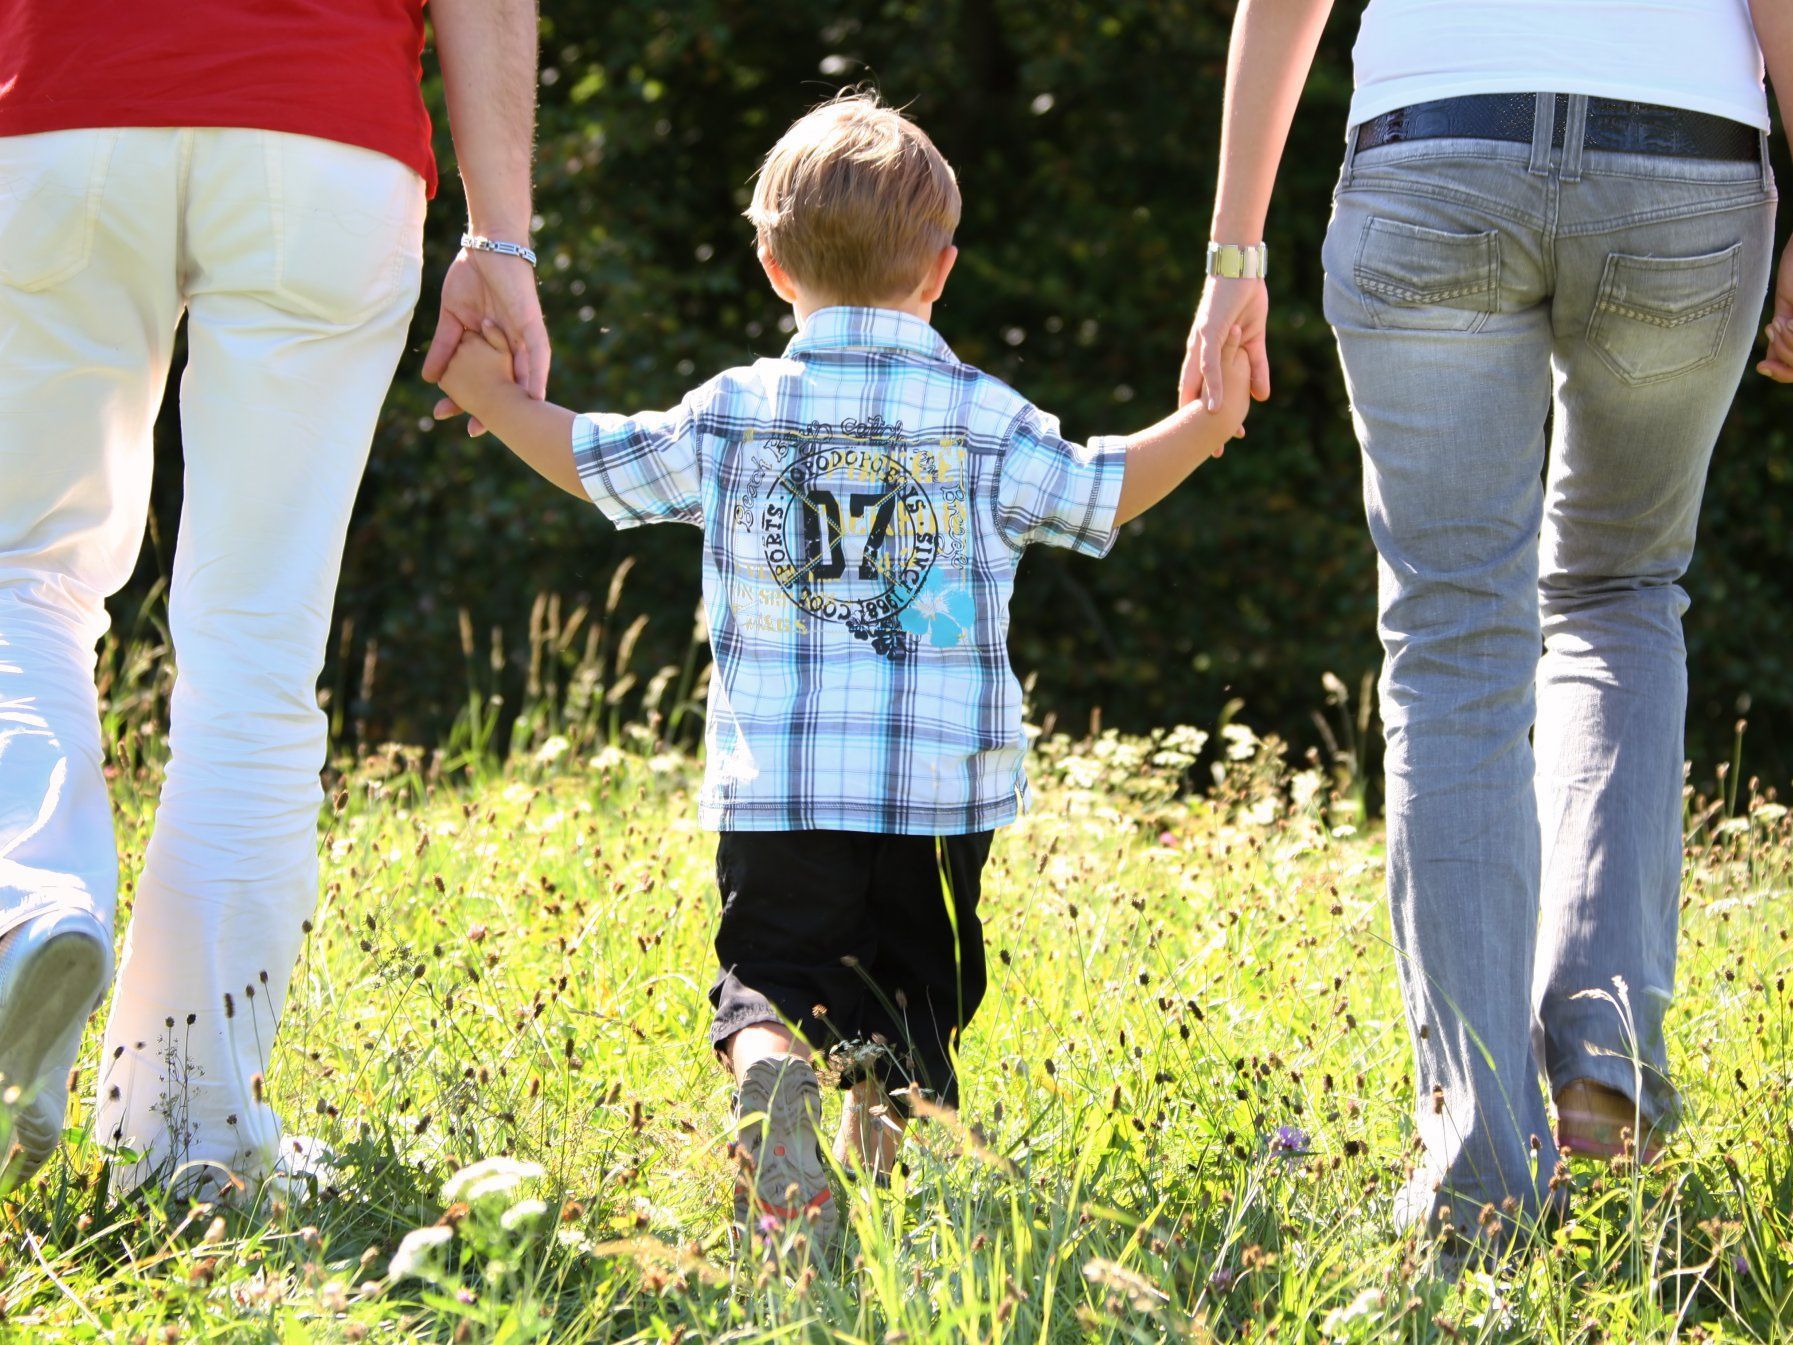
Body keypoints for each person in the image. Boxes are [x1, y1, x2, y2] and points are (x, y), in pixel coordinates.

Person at [432, 93, 1252, 1248]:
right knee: (914, 1009)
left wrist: (485, 392)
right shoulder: (984, 419)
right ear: (940, 270)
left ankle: (771, 1076)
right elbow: (1102, 485)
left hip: (781, 797)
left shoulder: (732, 415)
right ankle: (882, 1203)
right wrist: (1207, 422)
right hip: (936, 802)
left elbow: (587, 456)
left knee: (769, 977)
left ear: (773, 266)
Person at [1181, 0, 1790, 1251]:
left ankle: (1475, 1164)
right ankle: (1600, 1079)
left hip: (1432, 152)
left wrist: (1232, 253)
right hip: (1684, 168)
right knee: (1619, 595)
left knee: (1455, 640)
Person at [0, 0, 547, 1198]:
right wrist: (500, 239)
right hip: (325, 138)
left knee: (18, 575)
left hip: (61, 104)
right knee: (254, 647)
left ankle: (22, 907)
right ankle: (187, 1136)